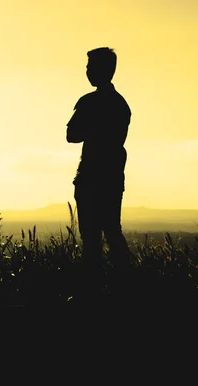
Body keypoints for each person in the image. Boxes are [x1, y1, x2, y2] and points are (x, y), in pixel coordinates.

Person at [66, 47, 131, 270]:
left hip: (91, 177)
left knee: (92, 237)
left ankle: (93, 286)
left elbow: (71, 135)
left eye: (90, 67)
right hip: (112, 176)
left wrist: (92, 127)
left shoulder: (88, 102)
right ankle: (124, 281)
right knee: (112, 231)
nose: (87, 71)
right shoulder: (121, 104)